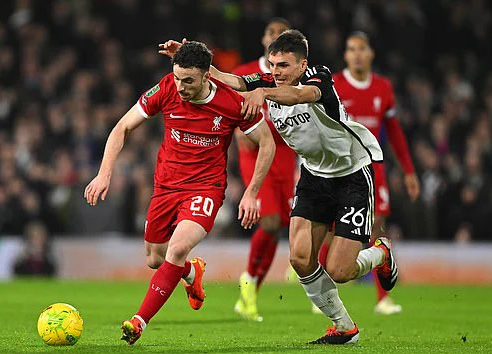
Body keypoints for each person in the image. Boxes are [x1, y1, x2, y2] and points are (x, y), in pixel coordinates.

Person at [159, 30, 397, 345]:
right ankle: (344, 328)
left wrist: (265, 94)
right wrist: (190, 55)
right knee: (300, 259)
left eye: (284, 65)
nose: (276, 72)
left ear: (302, 65)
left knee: (340, 270)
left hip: (350, 175)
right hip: (314, 177)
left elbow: (301, 96)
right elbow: (232, 80)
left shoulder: (319, 79)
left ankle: (381, 253)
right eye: (272, 65)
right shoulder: (271, 81)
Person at [84, 41, 275, 345]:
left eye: (189, 81)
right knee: (154, 258)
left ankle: (139, 321)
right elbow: (122, 127)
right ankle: (191, 273)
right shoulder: (166, 89)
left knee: (176, 249)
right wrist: (104, 173)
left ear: (206, 76)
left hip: (205, 189)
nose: (181, 87)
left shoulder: (232, 102)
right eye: (177, 78)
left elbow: (267, 143)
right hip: (166, 186)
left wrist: (252, 191)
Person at [314, 31, 420, 315]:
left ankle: (381, 298)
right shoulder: (332, 84)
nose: (357, 54)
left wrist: (409, 171)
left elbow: (395, 133)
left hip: (373, 167)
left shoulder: (383, 88)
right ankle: (326, 293)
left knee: (377, 227)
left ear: (371, 53)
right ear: (346, 55)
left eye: (362, 48)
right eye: (351, 49)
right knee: (328, 230)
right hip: (338, 166)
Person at [231, 17, 296, 322]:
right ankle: (248, 278)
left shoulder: (293, 76)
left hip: (286, 153)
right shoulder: (246, 73)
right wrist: (236, 131)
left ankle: (250, 292)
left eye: (281, 34)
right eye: (272, 33)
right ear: (263, 39)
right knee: (269, 221)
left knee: (279, 225)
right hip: (256, 153)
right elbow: (227, 104)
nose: (275, 37)